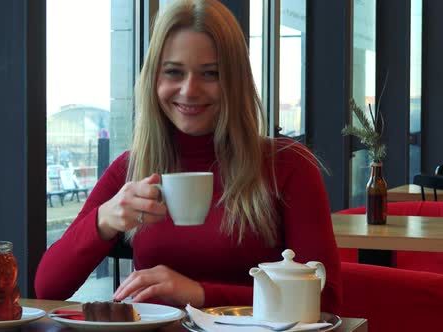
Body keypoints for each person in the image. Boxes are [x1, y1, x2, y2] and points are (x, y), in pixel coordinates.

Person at [35, 0, 342, 313]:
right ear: (154, 79)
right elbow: (48, 286)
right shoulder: (131, 169)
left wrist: (197, 294)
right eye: (173, 72)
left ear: (235, 82)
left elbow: (326, 300)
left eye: (210, 74)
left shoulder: (286, 165)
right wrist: (103, 219)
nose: (189, 90)